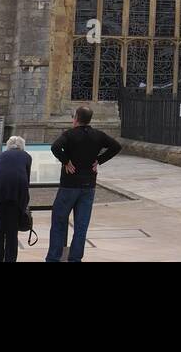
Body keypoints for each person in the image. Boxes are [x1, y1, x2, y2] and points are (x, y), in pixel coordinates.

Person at [46, 106, 120, 263]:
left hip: (69, 184)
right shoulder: (98, 135)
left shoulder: (70, 134)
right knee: (81, 225)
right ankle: (75, 258)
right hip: (88, 185)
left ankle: (53, 257)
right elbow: (116, 146)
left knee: (59, 221)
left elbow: (55, 147)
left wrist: (66, 161)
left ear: (76, 118)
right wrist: (99, 160)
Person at [0, 135, 32, 263]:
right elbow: (26, 177)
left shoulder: (1, 156)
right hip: (17, 190)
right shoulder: (26, 156)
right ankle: (10, 259)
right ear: (22, 147)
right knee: (12, 230)